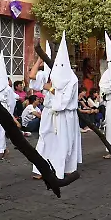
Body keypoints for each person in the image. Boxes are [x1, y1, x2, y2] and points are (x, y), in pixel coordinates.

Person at [33, 34, 82, 181]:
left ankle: (64, 169)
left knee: (64, 143)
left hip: (65, 115)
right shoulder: (53, 75)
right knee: (45, 139)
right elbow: (35, 81)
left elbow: (65, 99)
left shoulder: (72, 79)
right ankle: (41, 168)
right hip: (50, 113)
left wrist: (51, 89)